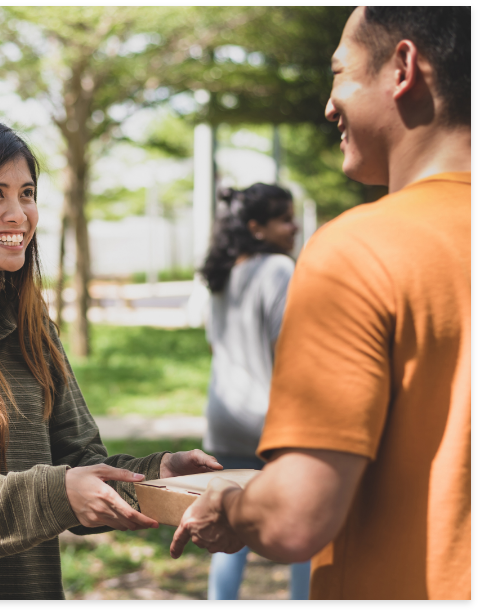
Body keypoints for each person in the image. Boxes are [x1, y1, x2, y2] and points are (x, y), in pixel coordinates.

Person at [170, 5, 471, 600]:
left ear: (403, 67)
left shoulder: (358, 248)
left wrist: (232, 505)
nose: (329, 104)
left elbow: (295, 516)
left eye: (339, 73)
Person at [0, 117, 223, 600]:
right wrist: (59, 492)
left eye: (27, 193)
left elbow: (77, 465)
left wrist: (156, 476)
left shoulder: (32, 329)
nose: (19, 214)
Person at [200, 184, 308, 600]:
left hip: (224, 419)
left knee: (230, 526)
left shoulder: (223, 272)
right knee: (303, 529)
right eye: (285, 218)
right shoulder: (279, 269)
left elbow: (215, 344)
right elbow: (290, 352)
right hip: (271, 422)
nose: (294, 225)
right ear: (256, 227)